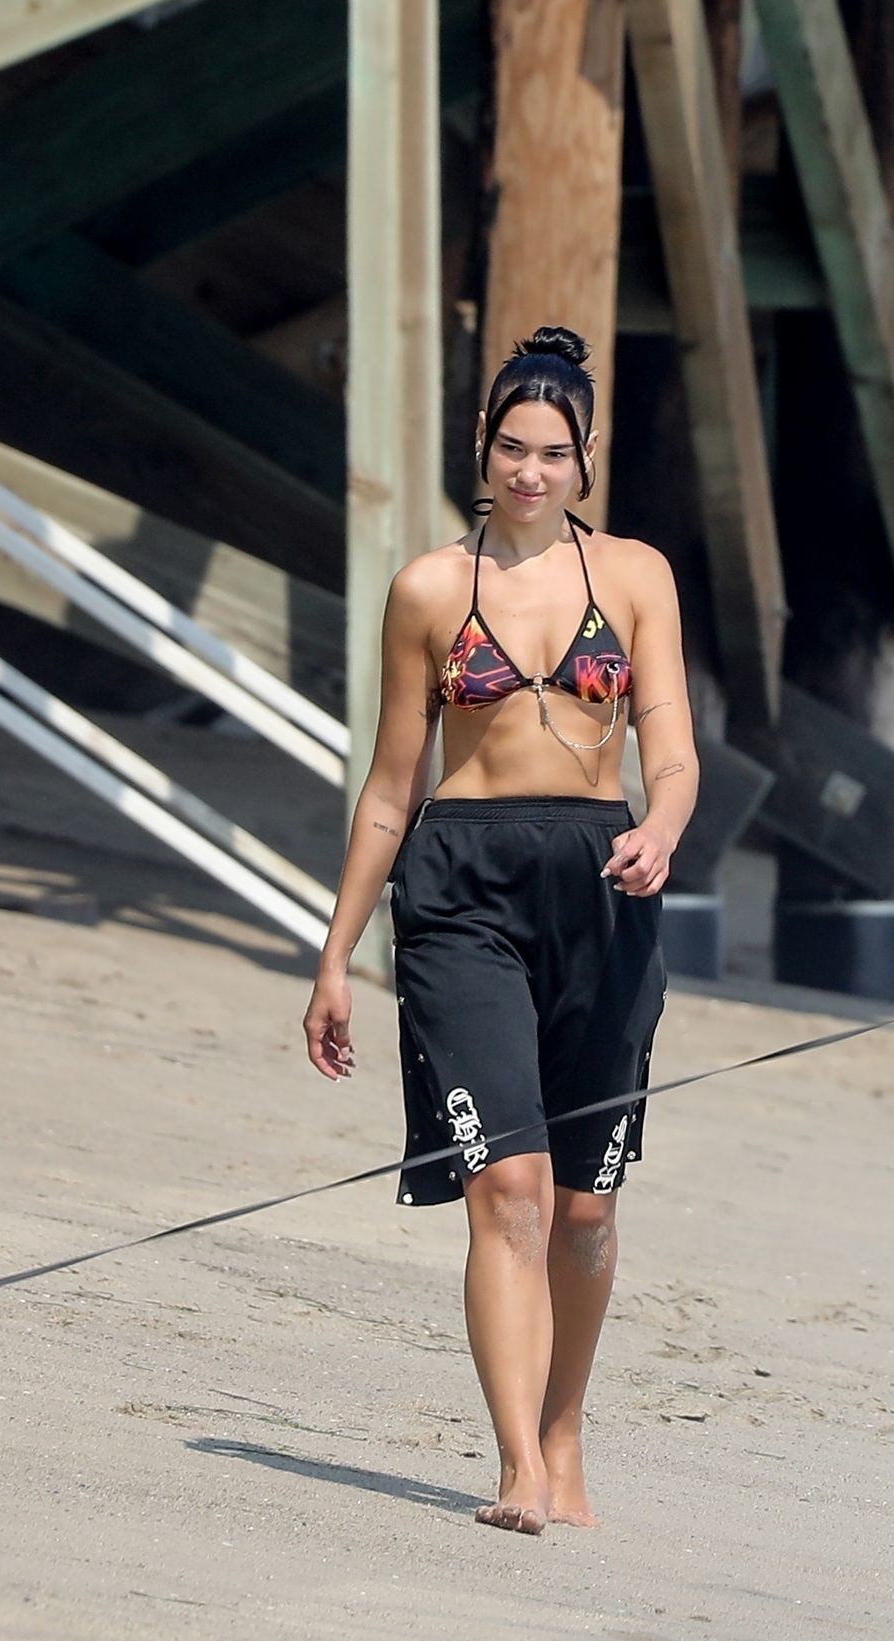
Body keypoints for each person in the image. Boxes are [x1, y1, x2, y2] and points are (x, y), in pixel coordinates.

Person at [303, 326, 697, 1536]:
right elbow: (390, 789)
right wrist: (335, 956)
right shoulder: (430, 589)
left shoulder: (636, 577)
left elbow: (674, 753)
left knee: (584, 1207)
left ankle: (566, 1433)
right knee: (510, 1188)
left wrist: (660, 829)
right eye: (512, 448)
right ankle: (519, 1462)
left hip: (602, 888)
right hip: (461, 892)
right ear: (482, 446)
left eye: (553, 454)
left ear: (587, 457)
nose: (530, 472)